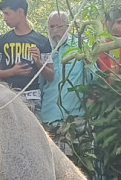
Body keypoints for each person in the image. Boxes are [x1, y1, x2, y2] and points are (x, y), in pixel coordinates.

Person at [0, 0, 54, 118]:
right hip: (7, 97)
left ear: (20, 12)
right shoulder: (1, 41)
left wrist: (39, 62)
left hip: (32, 100)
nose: (4, 18)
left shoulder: (42, 41)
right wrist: (12, 72)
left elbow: (50, 76)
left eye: (7, 13)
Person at [41, 11, 95, 150]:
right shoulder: (44, 49)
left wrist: (88, 61)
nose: (54, 31)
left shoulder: (80, 47)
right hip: (49, 117)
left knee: (77, 165)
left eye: (58, 27)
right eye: (51, 27)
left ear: (68, 27)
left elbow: (93, 79)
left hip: (75, 118)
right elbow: (40, 85)